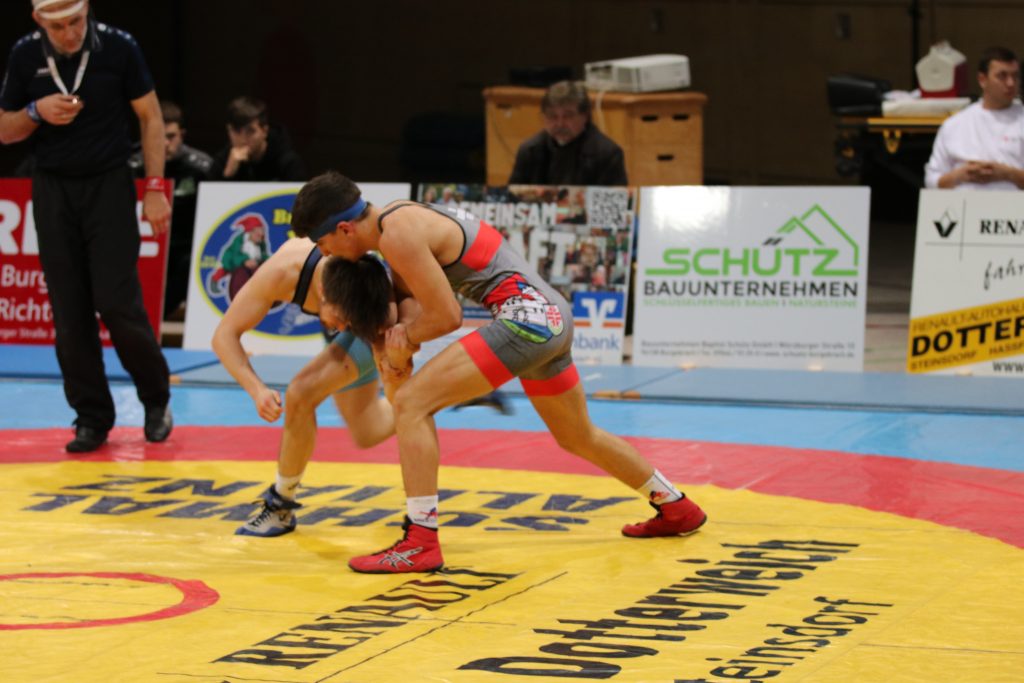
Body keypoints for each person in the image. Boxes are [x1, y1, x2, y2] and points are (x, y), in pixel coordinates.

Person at [291, 171, 706, 574]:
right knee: (577, 435)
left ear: (344, 228)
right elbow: (411, 312)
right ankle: (674, 504)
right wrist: (396, 349)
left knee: (413, 404)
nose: (324, 254)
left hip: (526, 320)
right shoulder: (399, 222)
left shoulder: (397, 234)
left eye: (322, 243)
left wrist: (405, 340)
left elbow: (446, 316)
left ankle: (420, 541)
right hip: (551, 315)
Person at [0, 0, 173, 453]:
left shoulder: (118, 47)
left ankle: (156, 399)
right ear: (39, 20)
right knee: (69, 311)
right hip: (52, 188)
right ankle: (92, 417)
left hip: (109, 185)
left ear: (87, 11)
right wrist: (35, 111)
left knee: (117, 303)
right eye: (58, 26)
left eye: (76, 21)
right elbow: (5, 129)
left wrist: (155, 187)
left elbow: (151, 116)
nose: (70, 33)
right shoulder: (25, 54)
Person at [211, 237, 399, 536]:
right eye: (339, 320)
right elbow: (224, 336)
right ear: (323, 291)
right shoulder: (282, 273)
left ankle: (280, 505)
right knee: (368, 430)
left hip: (380, 319)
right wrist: (257, 390)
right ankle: (435, 391)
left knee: (300, 393)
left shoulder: (365, 272)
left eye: (345, 322)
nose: (341, 328)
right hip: (360, 313)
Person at [130, 100, 213, 319]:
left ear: (182, 135)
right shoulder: (133, 166)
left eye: (170, 136)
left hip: (185, 247)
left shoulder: (202, 167)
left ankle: (152, 317)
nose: (164, 143)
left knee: (191, 263)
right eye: (159, 136)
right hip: (145, 245)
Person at [925, 46, 1024, 190]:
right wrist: (961, 175)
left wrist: (1007, 174)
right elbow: (931, 181)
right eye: (1002, 76)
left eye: (1015, 76)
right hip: (961, 203)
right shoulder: (955, 124)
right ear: (982, 80)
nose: (1011, 83)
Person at [508, 80, 628, 186]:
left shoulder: (607, 154)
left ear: (585, 116)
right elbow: (513, 199)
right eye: (552, 116)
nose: (560, 124)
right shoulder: (530, 150)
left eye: (568, 116)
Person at [212, 95, 306, 182]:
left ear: (264, 131)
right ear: (229, 130)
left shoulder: (288, 163)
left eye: (250, 131)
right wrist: (228, 175)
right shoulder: (222, 163)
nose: (243, 139)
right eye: (236, 131)